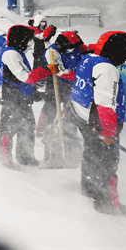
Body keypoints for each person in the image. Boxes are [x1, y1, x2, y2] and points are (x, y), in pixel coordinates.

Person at [70, 31, 126, 215]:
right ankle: (107, 203)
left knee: (91, 155)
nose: (125, 60)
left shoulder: (89, 59)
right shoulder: (107, 69)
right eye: (125, 55)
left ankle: (89, 189)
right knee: (107, 163)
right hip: (100, 123)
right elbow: (105, 103)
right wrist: (108, 132)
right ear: (117, 51)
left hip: (85, 118)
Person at [0, 25, 55, 168]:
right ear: (20, 39)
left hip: (22, 96)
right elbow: (25, 76)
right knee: (8, 128)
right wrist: (46, 70)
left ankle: (25, 156)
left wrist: (33, 89)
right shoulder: (10, 54)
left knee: (27, 127)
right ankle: (3, 158)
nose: (30, 42)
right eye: (28, 39)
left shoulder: (17, 52)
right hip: (12, 96)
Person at [37, 30, 86, 164]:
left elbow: (86, 50)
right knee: (51, 106)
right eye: (71, 47)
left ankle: (68, 132)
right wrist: (78, 76)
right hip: (56, 82)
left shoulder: (75, 47)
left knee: (71, 108)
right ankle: (43, 129)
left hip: (73, 83)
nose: (74, 49)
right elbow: (60, 72)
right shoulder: (51, 53)